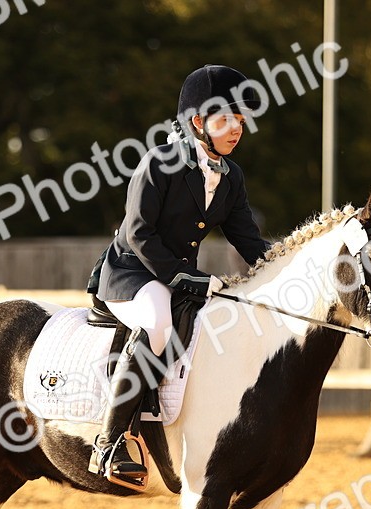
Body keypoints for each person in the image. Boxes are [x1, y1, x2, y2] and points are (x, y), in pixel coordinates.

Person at [87, 64, 272, 485]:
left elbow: (248, 240)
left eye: (240, 120)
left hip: (177, 278)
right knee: (157, 324)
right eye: (225, 119)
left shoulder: (231, 177)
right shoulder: (160, 162)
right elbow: (138, 233)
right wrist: (182, 277)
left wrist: (286, 267)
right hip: (132, 274)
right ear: (197, 122)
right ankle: (109, 443)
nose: (236, 129)